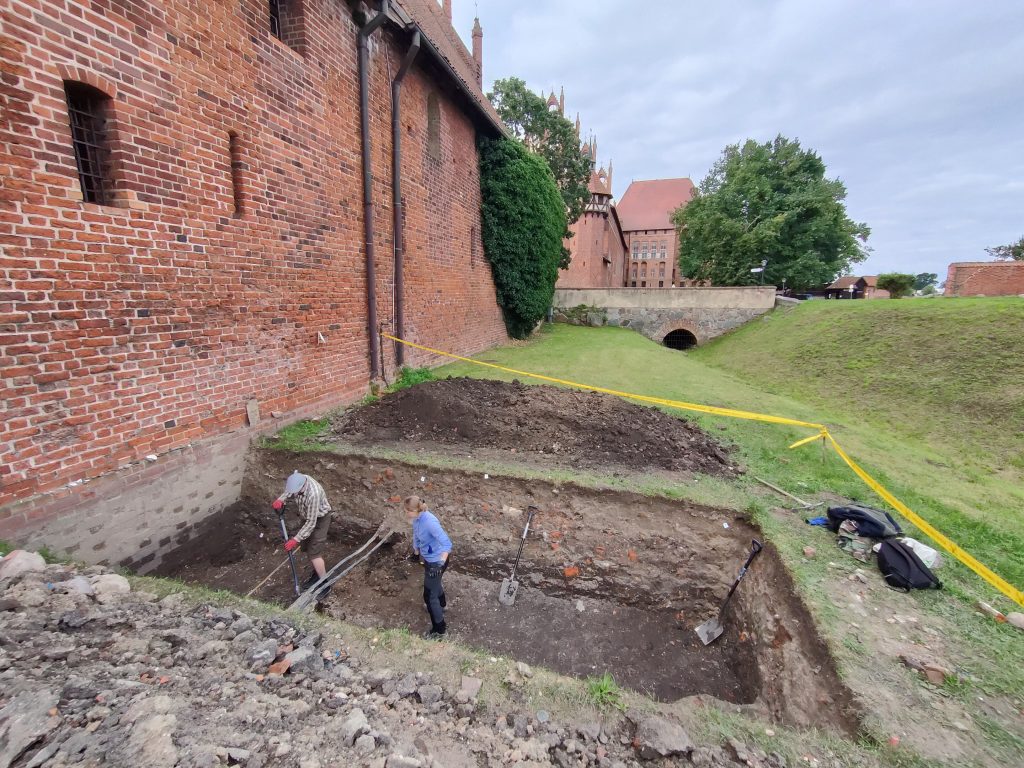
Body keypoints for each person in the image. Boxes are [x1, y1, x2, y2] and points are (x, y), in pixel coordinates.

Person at [272, 471, 332, 590]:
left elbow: (311, 523)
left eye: (296, 492)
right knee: (308, 547)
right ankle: (317, 575)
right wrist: (281, 499)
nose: (293, 494)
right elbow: (290, 490)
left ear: (302, 487)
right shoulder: (298, 479)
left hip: (320, 519)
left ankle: (325, 584)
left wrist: (295, 539)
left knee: (314, 553)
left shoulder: (313, 494)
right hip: (308, 516)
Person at [405, 495, 452, 638]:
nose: (406, 513)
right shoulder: (417, 519)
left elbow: (447, 544)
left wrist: (439, 565)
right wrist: (416, 552)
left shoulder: (430, 522)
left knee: (429, 596)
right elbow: (417, 536)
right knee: (434, 586)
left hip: (437, 562)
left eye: (407, 511)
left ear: (415, 510)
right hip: (429, 559)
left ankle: (439, 630)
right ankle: (442, 605)